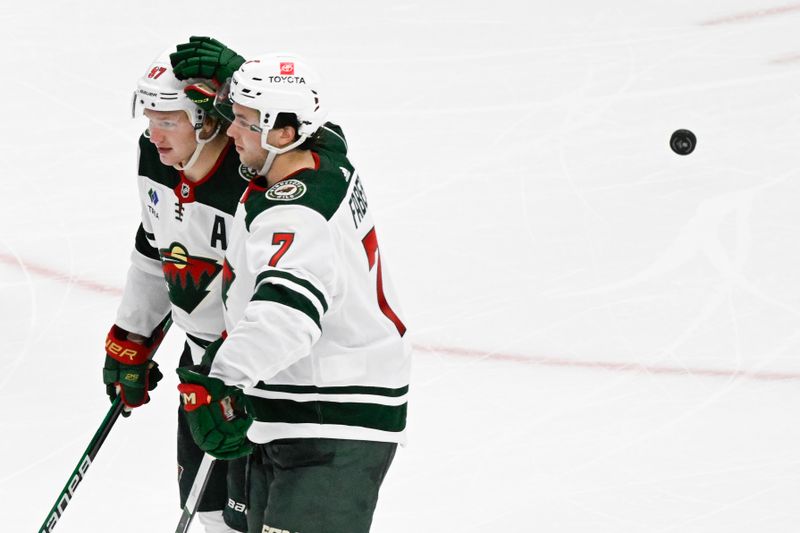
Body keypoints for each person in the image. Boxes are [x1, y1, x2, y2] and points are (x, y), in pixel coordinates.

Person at [172, 50, 411, 533]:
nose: (230, 132)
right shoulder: (323, 154)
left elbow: (288, 315)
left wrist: (223, 379)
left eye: (242, 121)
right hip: (295, 408)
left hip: (328, 421)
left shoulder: (296, 215)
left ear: (284, 133)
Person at [101, 48, 250, 533]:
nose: (154, 133)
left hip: (258, 373)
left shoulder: (248, 175)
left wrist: (237, 369)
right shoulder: (154, 157)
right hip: (200, 364)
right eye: (150, 119)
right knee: (207, 515)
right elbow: (154, 250)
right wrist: (132, 338)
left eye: (168, 120)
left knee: (251, 520)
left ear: (205, 121)